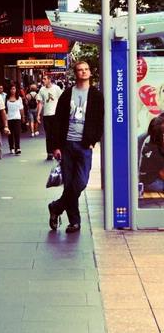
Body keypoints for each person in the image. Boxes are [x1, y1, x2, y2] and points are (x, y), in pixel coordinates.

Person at [48, 61, 104, 233]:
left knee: (80, 182)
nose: (84, 72)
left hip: (84, 145)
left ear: (90, 73)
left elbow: (100, 119)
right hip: (67, 145)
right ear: (76, 73)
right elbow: (57, 121)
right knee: (70, 184)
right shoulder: (67, 94)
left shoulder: (96, 95)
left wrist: (93, 140)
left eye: (86, 69)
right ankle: (74, 222)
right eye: (80, 70)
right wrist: (56, 146)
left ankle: (56, 207)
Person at [37, 75, 62, 160]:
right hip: (46, 115)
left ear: (49, 80)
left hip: (56, 115)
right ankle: (49, 152)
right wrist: (38, 114)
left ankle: (57, 150)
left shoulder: (57, 88)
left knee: (56, 134)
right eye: (42, 79)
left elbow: (62, 100)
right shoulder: (42, 90)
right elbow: (40, 103)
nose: (43, 80)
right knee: (48, 135)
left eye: (44, 79)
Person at [139, 116, 164, 192]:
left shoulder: (149, 139)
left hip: (148, 177)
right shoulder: (155, 150)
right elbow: (162, 173)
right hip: (151, 181)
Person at [6, 83, 25, 155]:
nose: (12, 90)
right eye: (11, 89)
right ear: (9, 90)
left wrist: (23, 117)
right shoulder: (6, 98)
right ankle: (11, 147)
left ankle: (18, 148)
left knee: (17, 133)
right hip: (9, 118)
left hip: (17, 117)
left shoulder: (19, 98)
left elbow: (21, 108)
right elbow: (5, 109)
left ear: (16, 90)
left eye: (14, 89)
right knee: (10, 134)